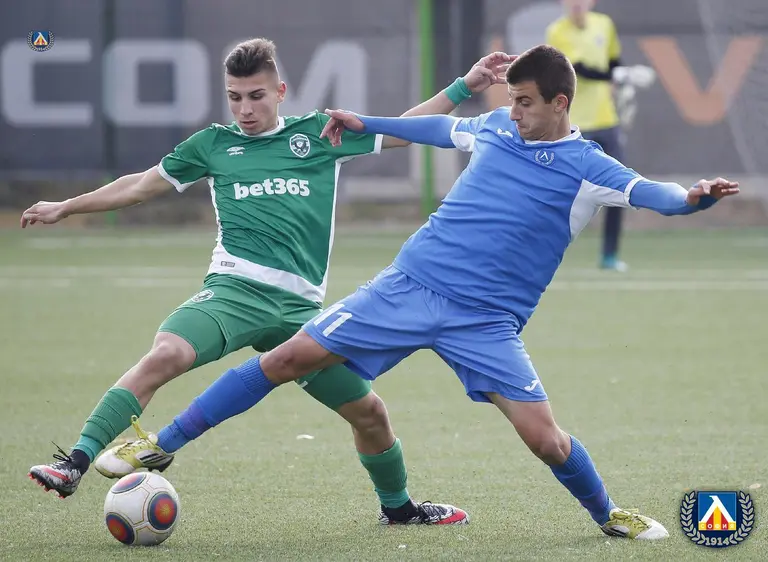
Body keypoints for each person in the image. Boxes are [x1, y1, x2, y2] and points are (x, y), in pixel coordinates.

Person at [139, 44, 738, 539]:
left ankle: (608, 514)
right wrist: (368, 122)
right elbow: (438, 129)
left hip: (485, 322)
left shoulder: (589, 166)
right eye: (511, 100)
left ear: (560, 103)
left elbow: (657, 195)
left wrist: (695, 197)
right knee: (287, 358)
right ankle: (161, 445)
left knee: (545, 440)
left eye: (525, 103)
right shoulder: (497, 126)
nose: (514, 113)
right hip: (409, 285)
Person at [24, 38, 511, 525]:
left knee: (370, 413)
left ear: (279, 92)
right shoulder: (212, 145)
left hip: (300, 314)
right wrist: (67, 206)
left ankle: (399, 509)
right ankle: (74, 463)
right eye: (234, 97)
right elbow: (138, 185)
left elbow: (403, 130)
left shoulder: (318, 134)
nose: (245, 109)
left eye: (256, 96)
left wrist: (464, 86)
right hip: (234, 293)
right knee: (167, 353)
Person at [546, 0, 628, 271]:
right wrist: (617, 76)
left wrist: (622, 77)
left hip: (607, 120)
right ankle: (541, 251)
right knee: (557, 193)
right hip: (575, 125)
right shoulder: (557, 31)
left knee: (620, 187)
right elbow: (579, 69)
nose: (576, 4)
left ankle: (609, 255)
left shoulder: (604, 24)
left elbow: (613, 60)